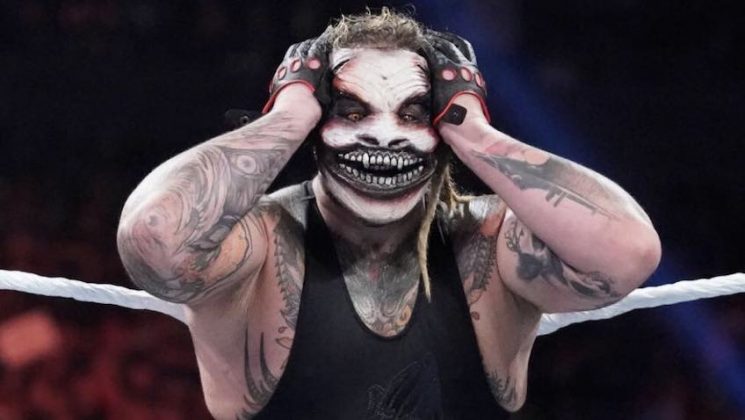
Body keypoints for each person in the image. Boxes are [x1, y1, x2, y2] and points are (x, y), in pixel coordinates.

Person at [116, 8, 661, 419]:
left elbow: (628, 253)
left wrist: (474, 131)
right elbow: (155, 238)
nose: (383, 134)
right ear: (315, 126)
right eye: (351, 112)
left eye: (414, 113)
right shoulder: (259, 245)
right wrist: (287, 115)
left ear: (442, 126)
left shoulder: (490, 242)